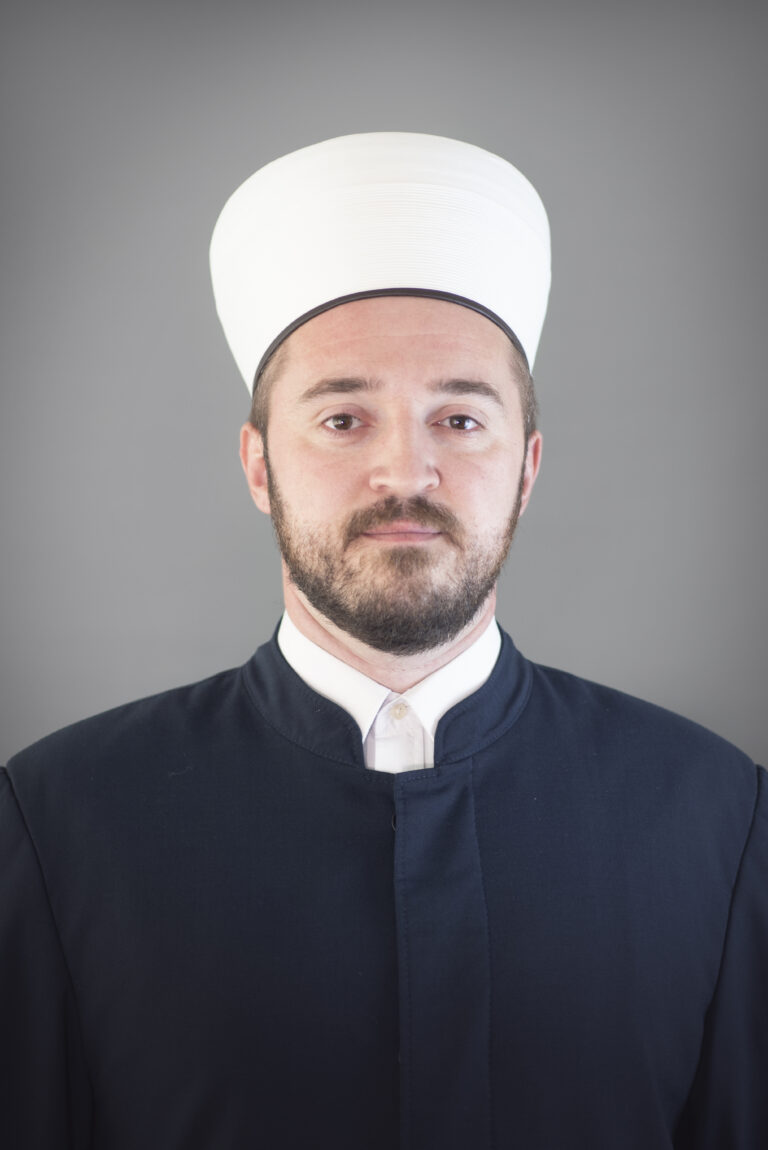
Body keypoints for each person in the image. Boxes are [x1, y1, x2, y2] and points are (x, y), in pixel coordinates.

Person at [1, 133, 766, 1150]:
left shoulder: (715, 816)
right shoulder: (57, 823)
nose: (405, 473)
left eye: (460, 420)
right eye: (343, 419)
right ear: (259, 466)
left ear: (528, 468)